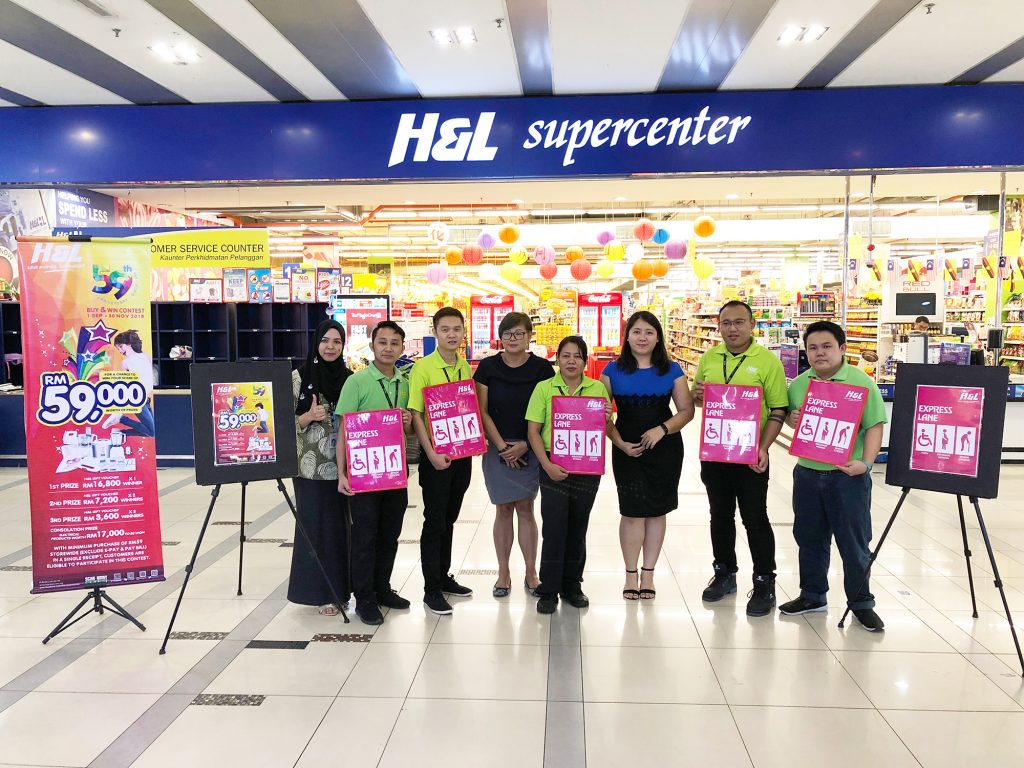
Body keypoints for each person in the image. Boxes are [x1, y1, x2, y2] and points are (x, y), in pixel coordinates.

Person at [781, 321, 887, 632]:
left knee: (854, 542)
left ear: (842, 349)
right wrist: (791, 419)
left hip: (847, 476)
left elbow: (875, 426)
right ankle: (812, 595)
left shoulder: (861, 382)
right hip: (808, 473)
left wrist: (866, 464)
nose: (819, 353)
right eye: (812, 348)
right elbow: (792, 422)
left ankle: (861, 603)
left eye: (827, 346)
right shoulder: (799, 385)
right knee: (809, 538)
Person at [691, 300, 789, 616]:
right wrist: (698, 396)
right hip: (716, 452)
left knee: (755, 517)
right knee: (719, 515)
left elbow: (778, 409)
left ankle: (764, 581)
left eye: (739, 322)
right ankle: (724, 572)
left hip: (750, 455)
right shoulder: (709, 357)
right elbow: (697, 399)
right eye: (726, 323)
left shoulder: (768, 362)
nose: (732, 329)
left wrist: (764, 447)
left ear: (751, 325)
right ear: (719, 326)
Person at [602, 311, 694, 601]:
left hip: (664, 448)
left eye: (649, 332)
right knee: (631, 512)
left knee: (656, 511)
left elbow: (687, 411)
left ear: (658, 337)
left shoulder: (672, 370)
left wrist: (662, 429)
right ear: (627, 336)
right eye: (636, 332)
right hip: (626, 448)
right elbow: (601, 416)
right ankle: (630, 573)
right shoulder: (611, 371)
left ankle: (649, 574)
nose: (642, 338)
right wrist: (619, 443)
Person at [525, 336, 611, 614]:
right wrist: (547, 465)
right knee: (553, 527)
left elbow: (606, 427)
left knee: (578, 525)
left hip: (587, 466)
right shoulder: (544, 388)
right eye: (566, 355)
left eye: (577, 356)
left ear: (585, 361)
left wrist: (608, 416)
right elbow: (533, 431)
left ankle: (572, 584)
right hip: (553, 463)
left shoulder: (597, 388)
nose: (571, 361)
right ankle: (549, 588)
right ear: (558, 359)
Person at [336, 321, 413, 626]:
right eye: (382, 342)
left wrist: (408, 422)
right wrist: (342, 474)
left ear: (402, 348)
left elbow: (409, 431)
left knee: (390, 535)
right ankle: (364, 598)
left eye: (395, 343)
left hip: (394, 472)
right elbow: (344, 430)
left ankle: (383, 589)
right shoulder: (356, 382)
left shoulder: (405, 383)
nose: (388, 348)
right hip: (364, 474)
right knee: (365, 537)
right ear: (372, 346)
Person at [474, 312, 555, 598]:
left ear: (529, 336)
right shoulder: (487, 367)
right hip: (497, 448)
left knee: (526, 508)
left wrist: (525, 445)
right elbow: (481, 410)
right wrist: (502, 447)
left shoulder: (542, 368)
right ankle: (503, 572)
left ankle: (531, 572)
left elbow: (549, 411)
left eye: (519, 333)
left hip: (531, 447)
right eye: (507, 333)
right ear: (500, 337)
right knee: (503, 509)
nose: (513, 338)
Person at [408, 307, 475, 615]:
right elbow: (417, 414)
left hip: (462, 456)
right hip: (435, 456)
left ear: (463, 332)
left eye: (456, 329)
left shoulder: (464, 367)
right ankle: (431, 589)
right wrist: (431, 454)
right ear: (435, 332)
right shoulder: (423, 368)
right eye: (445, 329)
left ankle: (443, 576)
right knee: (434, 521)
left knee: (449, 518)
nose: (451, 334)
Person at [288, 319, 352, 616]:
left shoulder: (351, 379)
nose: (330, 347)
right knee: (314, 530)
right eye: (325, 340)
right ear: (316, 343)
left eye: (337, 341)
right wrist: (307, 417)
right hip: (309, 470)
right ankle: (319, 593)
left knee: (340, 530)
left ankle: (341, 591)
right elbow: (279, 424)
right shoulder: (298, 379)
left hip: (345, 468)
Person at [102, 330, 155, 437]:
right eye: (118, 349)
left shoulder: (147, 357)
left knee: (152, 432)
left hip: (147, 399)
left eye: (121, 346)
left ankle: (120, 433)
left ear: (129, 344)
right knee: (152, 431)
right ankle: (121, 419)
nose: (120, 351)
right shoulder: (125, 363)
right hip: (137, 399)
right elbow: (124, 384)